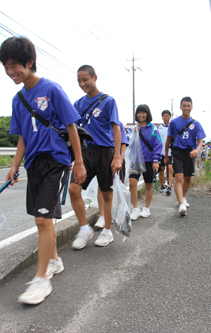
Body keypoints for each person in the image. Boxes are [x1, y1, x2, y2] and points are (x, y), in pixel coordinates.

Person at [0, 36, 86, 304]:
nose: (11, 71)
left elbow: (71, 125)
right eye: (5, 66)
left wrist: (80, 162)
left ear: (29, 62)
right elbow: (23, 136)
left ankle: (41, 280)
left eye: (14, 65)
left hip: (56, 159)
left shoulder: (51, 89)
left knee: (42, 219)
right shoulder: (18, 100)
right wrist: (15, 164)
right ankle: (55, 261)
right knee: (41, 218)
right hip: (33, 163)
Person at [69, 65, 122, 248]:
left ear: (95, 78)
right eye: (79, 80)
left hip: (105, 151)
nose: (82, 83)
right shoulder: (78, 104)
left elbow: (116, 128)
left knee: (107, 193)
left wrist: (117, 156)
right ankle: (84, 228)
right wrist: (71, 158)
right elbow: (72, 131)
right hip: (85, 152)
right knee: (73, 189)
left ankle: (107, 231)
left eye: (85, 79)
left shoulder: (108, 101)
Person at [165, 97, 205, 216]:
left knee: (187, 178)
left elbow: (201, 140)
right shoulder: (174, 122)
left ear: (191, 107)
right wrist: (166, 155)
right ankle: (181, 204)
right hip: (177, 152)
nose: (186, 108)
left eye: (188, 105)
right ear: (180, 107)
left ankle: (181, 198)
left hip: (190, 153)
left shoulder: (196, 124)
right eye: (184, 106)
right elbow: (168, 140)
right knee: (179, 177)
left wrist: (197, 150)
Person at [129, 104, 162, 220]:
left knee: (148, 185)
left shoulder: (153, 129)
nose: (141, 115)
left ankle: (146, 208)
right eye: (139, 112)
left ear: (147, 114)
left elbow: (158, 145)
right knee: (132, 183)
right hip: (135, 161)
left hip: (149, 160)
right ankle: (135, 209)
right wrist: (134, 133)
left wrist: (155, 160)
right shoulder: (132, 129)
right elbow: (128, 143)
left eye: (143, 112)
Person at [95, 123, 129, 229]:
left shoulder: (118, 124)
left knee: (118, 187)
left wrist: (120, 158)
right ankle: (102, 216)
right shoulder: (99, 122)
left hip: (117, 159)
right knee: (102, 186)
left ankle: (118, 214)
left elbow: (124, 143)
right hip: (104, 157)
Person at [157, 110, 174, 195]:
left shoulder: (173, 127)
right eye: (164, 116)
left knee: (171, 169)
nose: (166, 117)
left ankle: (170, 186)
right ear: (162, 117)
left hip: (171, 152)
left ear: (170, 117)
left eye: (167, 116)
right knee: (161, 170)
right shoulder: (159, 128)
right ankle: (163, 185)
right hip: (161, 152)